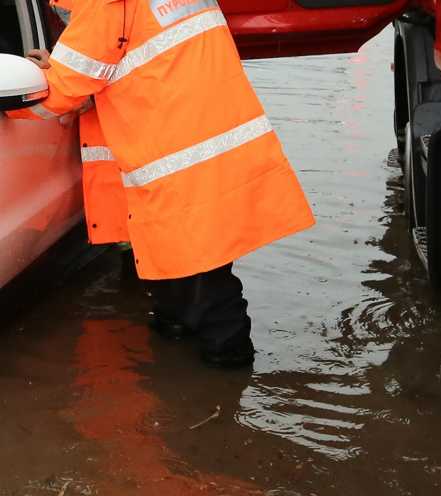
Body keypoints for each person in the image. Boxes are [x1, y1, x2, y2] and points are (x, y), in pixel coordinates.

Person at [7, 0, 314, 366]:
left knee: (203, 279)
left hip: (173, 150)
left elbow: (66, 88)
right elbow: (125, 54)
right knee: (194, 262)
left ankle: (228, 371)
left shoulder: (104, 4)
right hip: (206, 137)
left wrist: (32, 87)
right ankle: (206, 376)